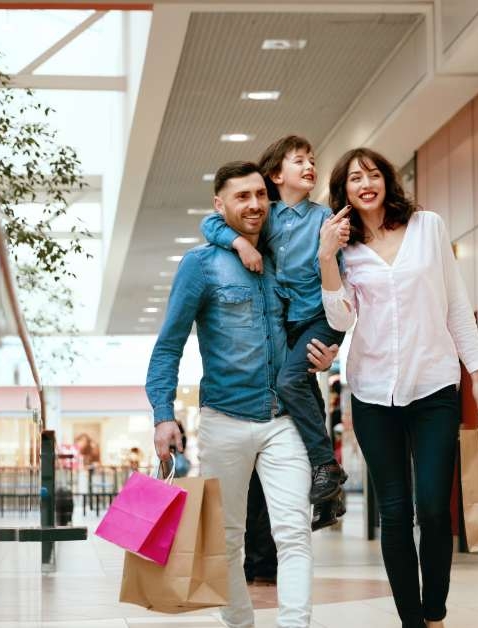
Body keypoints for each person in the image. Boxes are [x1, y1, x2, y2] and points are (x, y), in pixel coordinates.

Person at [147, 161, 339, 628]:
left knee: (293, 532)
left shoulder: (280, 255)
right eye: (241, 197)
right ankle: (240, 623)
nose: (253, 205)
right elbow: (169, 344)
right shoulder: (201, 264)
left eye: (260, 195)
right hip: (224, 419)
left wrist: (326, 353)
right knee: (228, 539)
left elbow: (316, 314)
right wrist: (161, 413)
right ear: (220, 205)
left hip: (284, 418)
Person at [318, 148, 478, 628]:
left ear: (387, 181)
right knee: (394, 513)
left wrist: (477, 375)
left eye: (373, 174)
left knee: (435, 509)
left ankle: (434, 613)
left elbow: (456, 302)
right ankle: (411, 622)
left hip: (434, 383)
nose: (365, 183)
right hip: (373, 391)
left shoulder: (428, 227)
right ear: (344, 192)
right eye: (354, 178)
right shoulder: (346, 250)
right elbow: (341, 317)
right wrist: (326, 256)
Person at [201, 136, 348, 528]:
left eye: (312, 159)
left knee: (289, 381)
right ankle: (327, 490)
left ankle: (325, 468)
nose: (309, 166)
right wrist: (241, 245)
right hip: (287, 321)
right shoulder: (267, 215)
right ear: (276, 176)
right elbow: (209, 222)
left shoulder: (325, 219)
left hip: (321, 318)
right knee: (300, 389)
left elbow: (343, 283)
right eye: (298, 160)